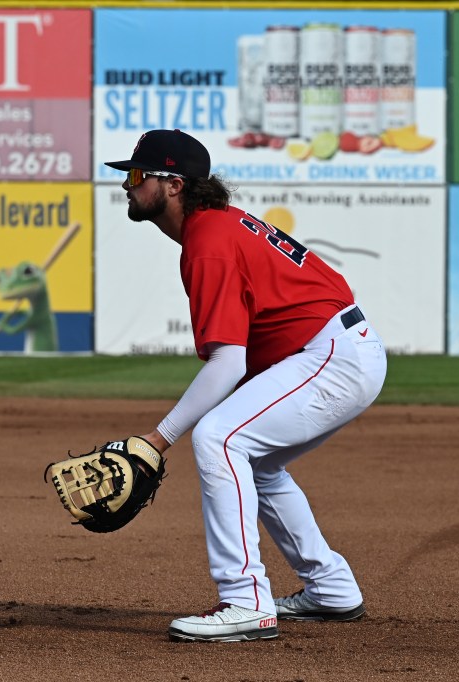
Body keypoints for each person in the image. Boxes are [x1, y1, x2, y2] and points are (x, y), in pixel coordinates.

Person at [106, 129, 387, 643]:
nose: (126, 184)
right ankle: (330, 588)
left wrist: (158, 438)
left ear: (173, 185)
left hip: (330, 354)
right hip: (337, 348)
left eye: (136, 174)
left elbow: (228, 362)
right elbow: (243, 354)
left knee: (220, 437)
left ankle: (244, 600)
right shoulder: (214, 229)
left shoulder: (208, 241)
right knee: (255, 460)